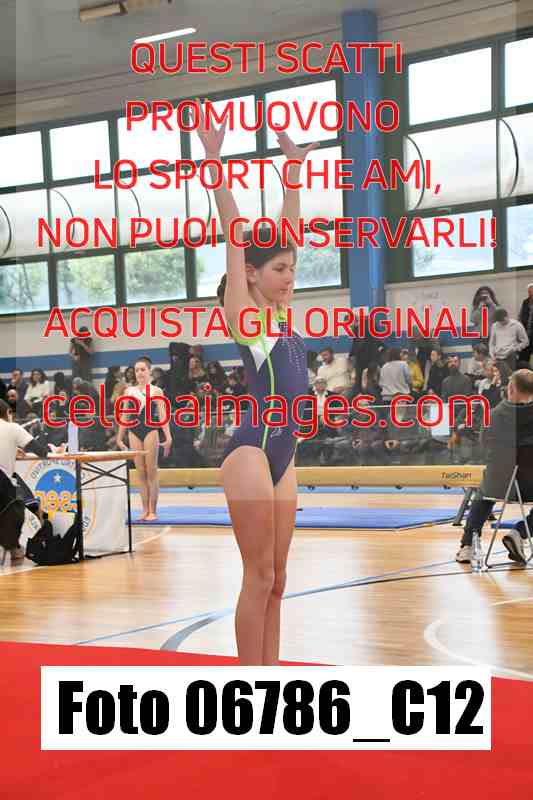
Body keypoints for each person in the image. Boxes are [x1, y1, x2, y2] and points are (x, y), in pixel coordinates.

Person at [196, 100, 316, 664]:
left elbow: (289, 231)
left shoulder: (283, 314)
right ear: (250, 274)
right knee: (259, 573)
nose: (290, 277)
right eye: (279, 269)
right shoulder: (246, 316)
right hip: (250, 451)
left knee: (280, 578)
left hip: (284, 453)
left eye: (292, 268)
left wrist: (293, 171)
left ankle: (272, 674)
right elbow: (234, 230)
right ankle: (251, 683)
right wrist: (214, 159)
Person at [456, 370, 533, 565]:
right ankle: (520, 532)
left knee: (484, 491)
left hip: (499, 484)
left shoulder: (494, 415)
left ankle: (468, 545)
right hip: (530, 486)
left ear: (511, 388)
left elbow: (485, 446)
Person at [0, 399, 64, 563]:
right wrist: (54, 450)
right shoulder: (12, 428)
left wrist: (12, 448)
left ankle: (15, 546)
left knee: (16, 486)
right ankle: (16, 546)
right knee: (20, 500)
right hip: (4, 484)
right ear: (8, 413)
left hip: (6, 482)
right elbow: (39, 450)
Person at [116, 356, 172, 521]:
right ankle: (144, 509)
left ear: (149, 371)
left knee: (151, 470)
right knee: (140, 472)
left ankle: (153, 510)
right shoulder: (129, 391)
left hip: (150, 430)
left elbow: (162, 415)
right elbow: (125, 415)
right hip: (134, 431)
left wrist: (168, 437)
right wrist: (119, 438)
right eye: (137, 370)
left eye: (143, 369)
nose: (139, 373)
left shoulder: (156, 391)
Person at [518, 283, 533, 364]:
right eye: (529, 292)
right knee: (523, 356)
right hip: (525, 332)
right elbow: (520, 315)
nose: (530, 294)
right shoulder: (525, 302)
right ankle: (523, 368)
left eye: (532, 291)